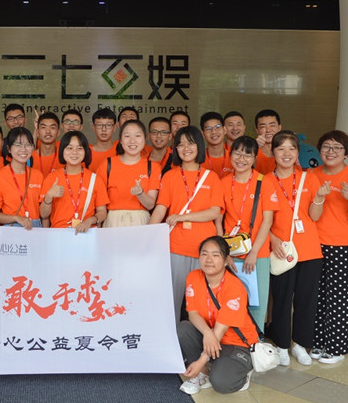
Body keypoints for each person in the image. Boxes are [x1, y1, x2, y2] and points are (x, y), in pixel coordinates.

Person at [149, 126, 224, 330]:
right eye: (180, 144)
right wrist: (147, 236)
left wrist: (183, 217)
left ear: (199, 146)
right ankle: (170, 339)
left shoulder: (211, 177)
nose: (185, 148)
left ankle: (202, 341)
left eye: (190, 143)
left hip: (204, 250)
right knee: (171, 299)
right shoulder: (170, 176)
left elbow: (214, 212)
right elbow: (160, 208)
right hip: (175, 246)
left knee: (203, 301)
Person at [266, 130, 326, 367]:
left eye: (291, 149)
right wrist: (272, 239)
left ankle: (300, 344)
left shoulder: (309, 179)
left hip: (309, 250)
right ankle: (281, 345)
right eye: (281, 148)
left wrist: (319, 198)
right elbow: (260, 219)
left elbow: (314, 216)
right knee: (281, 299)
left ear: (298, 153)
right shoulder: (265, 181)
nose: (286, 153)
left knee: (306, 300)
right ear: (273, 152)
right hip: (281, 249)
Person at [311, 130, 348, 364]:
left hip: (341, 246)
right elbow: (309, 213)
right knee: (315, 296)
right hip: (313, 244)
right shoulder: (312, 175)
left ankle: (337, 347)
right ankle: (317, 341)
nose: (331, 151)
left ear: (346, 153)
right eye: (326, 146)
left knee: (338, 298)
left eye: (337, 148)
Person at [178, 236, 258, 395]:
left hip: (236, 343)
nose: (208, 260)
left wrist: (200, 361)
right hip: (211, 337)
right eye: (204, 254)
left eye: (215, 255)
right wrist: (207, 333)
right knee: (184, 328)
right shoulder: (193, 277)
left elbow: (220, 331)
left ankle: (243, 372)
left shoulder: (234, 287)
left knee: (221, 383)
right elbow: (192, 313)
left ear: (226, 260)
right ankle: (203, 374)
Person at [221, 136, 278, 329]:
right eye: (237, 153)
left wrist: (253, 253)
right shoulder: (223, 182)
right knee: (229, 301)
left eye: (247, 155)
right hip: (230, 252)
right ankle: (230, 341)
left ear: (255, 158)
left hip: (257, 253)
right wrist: (224, 253)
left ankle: (255, 340)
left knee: (256, 302)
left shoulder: (264, 182)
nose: (241, 159)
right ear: (230, 155)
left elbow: (267, 221)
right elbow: (218, 220)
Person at [40, 131, 108, 232]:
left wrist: (90, 220)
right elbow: (43, 214)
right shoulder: (52, 178)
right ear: (62, 151)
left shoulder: (95, 179)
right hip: (58, 234)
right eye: (69, 148)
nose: (74, 152)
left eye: (79, 148)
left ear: (85, 151)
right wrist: (49, 196)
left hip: (87, 233)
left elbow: (102, 212)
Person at [98, 120, 160, 227]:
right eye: (127, 136)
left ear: (145, 139)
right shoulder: (107, 164)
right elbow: (99, 203)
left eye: (137, 136)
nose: (132, 141)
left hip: (141, 222)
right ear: (120, 140)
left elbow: (150, 205)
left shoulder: (152, 167)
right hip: (113, 222)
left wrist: (140, 194)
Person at [0, 127, 45, 229]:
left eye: (28, 145)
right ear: (9, 149)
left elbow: (44, 213)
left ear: (33, 148)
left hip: (36, 229)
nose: (23, 149)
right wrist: (15, 218)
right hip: (12, 228)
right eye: (18, 145)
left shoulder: (38, 175)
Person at [200, 111, 233, 178]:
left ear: (224, 130)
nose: (214, 132)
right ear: (203, 134)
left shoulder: (235, 156)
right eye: (208, 129)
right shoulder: (197, 159)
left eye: (217, 127)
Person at [88, 108, 118, 172]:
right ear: (93, 127)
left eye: (108, 125)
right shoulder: (86, 153)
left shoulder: (121, 151)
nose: (104, 129)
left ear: (114, 128)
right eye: (99, 125)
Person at [32, 112, 60, 178]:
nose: (48, 131)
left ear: (58, 133)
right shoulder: (29, 159)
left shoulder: (65, 157)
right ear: (37, 132)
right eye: (43, 127)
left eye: (52, 127)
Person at [254, 109, 282, 174]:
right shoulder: (251, 150)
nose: (268, 130)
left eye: (272, 125)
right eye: (263, 126)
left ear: (279, 127)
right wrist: (254, 148)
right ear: (257, 130)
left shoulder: (288, 150)